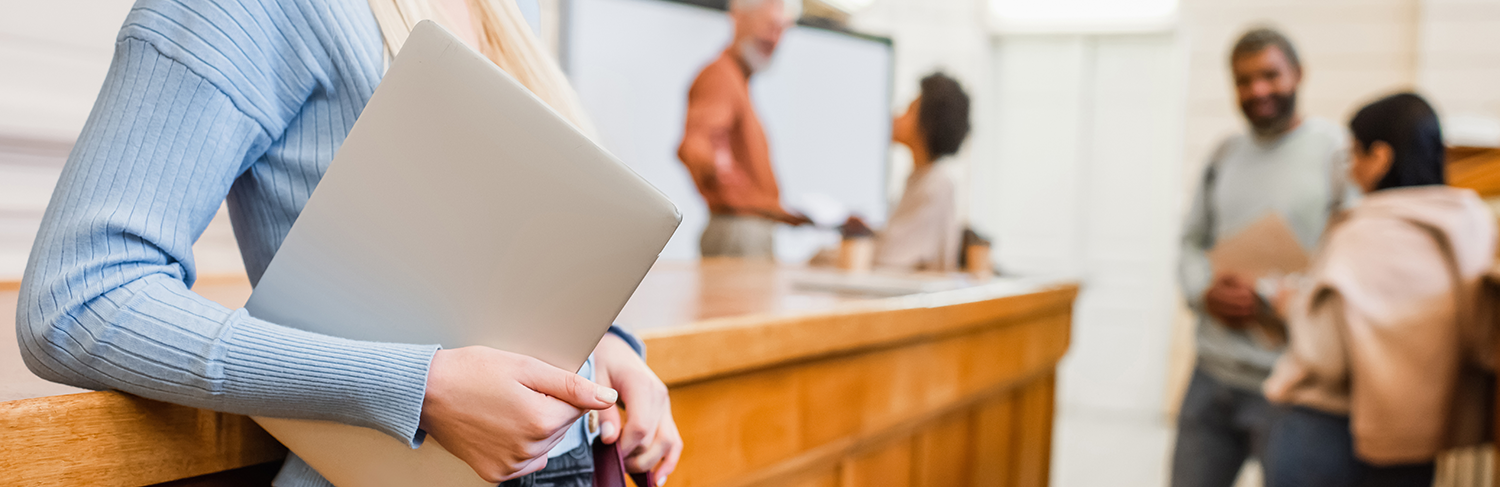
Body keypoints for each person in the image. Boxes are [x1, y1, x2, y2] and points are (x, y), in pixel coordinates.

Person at [13, 1, 681, 486]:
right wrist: (420, 387)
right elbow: (79, 297)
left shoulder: (513, 7)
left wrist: (603, 346)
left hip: (577, 462)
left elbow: (493, 247)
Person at [1261, 93, 1496, 487]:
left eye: (1354, 154)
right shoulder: (1472, 223)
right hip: (1417, 438)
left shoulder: (1363, 231)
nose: (1351, 169)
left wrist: (1288, 305)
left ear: (1380, 158)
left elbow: (1327, 356)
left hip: (1328, 434)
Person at [1172, 27, 1352, 487]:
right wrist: (1202, 292)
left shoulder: (1336, 154)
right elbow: (1191, 241)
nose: (1258, 90)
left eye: (1270, 75)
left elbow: (1347, 261)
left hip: (1290, 384)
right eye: (1244, 80)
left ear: (1298, 74)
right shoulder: (1224, 155)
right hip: (1211, 376)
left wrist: (1269, 296)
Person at [677, 0, 811, 260]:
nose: (776, 36)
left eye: (783, 28)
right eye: (770, 23)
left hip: (750, 228)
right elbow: (697, 145)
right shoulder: (720, 76)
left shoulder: (738, 81)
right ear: (738, 17)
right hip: (739, 231)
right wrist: (723, 176)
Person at [843, 72, 971, 272]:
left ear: (927, 126)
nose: (897, 116)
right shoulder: (920, 179)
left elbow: (890, 256)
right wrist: (866, 232)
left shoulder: (935, 185)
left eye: (909, 110)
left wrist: (830, 252)